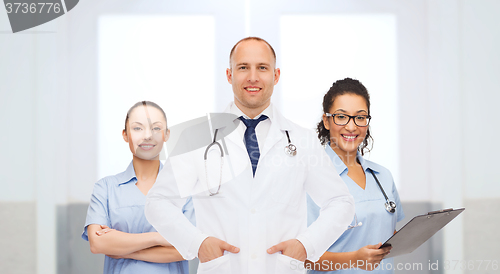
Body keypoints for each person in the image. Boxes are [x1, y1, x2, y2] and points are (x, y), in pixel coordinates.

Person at [145, 37, 355, 274]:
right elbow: (159, 202)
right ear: (229, 75)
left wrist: (307, 245)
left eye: (262, 68)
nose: (253, 77)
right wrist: (197, 243)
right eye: (243, 67)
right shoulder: (198, 137)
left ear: (275, 76)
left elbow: (341, 202)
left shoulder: (302, 140)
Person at [82, 101, 195, 274]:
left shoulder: (184, 188)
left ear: (166, 134)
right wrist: (161, 237)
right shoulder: (105, 188)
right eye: (137, 128)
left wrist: (122, 247)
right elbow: (97, 244)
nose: (148, 136)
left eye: (156, 128)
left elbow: (188, 249)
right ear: (125, 135)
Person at [306, 78, 405, 273]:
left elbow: (388, 234)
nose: (352, 127)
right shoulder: (311, 177)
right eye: (341, 117)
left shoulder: (383, 176)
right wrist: (354, 259)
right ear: (326, 121)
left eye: (360, 117)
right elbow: (302, 257)